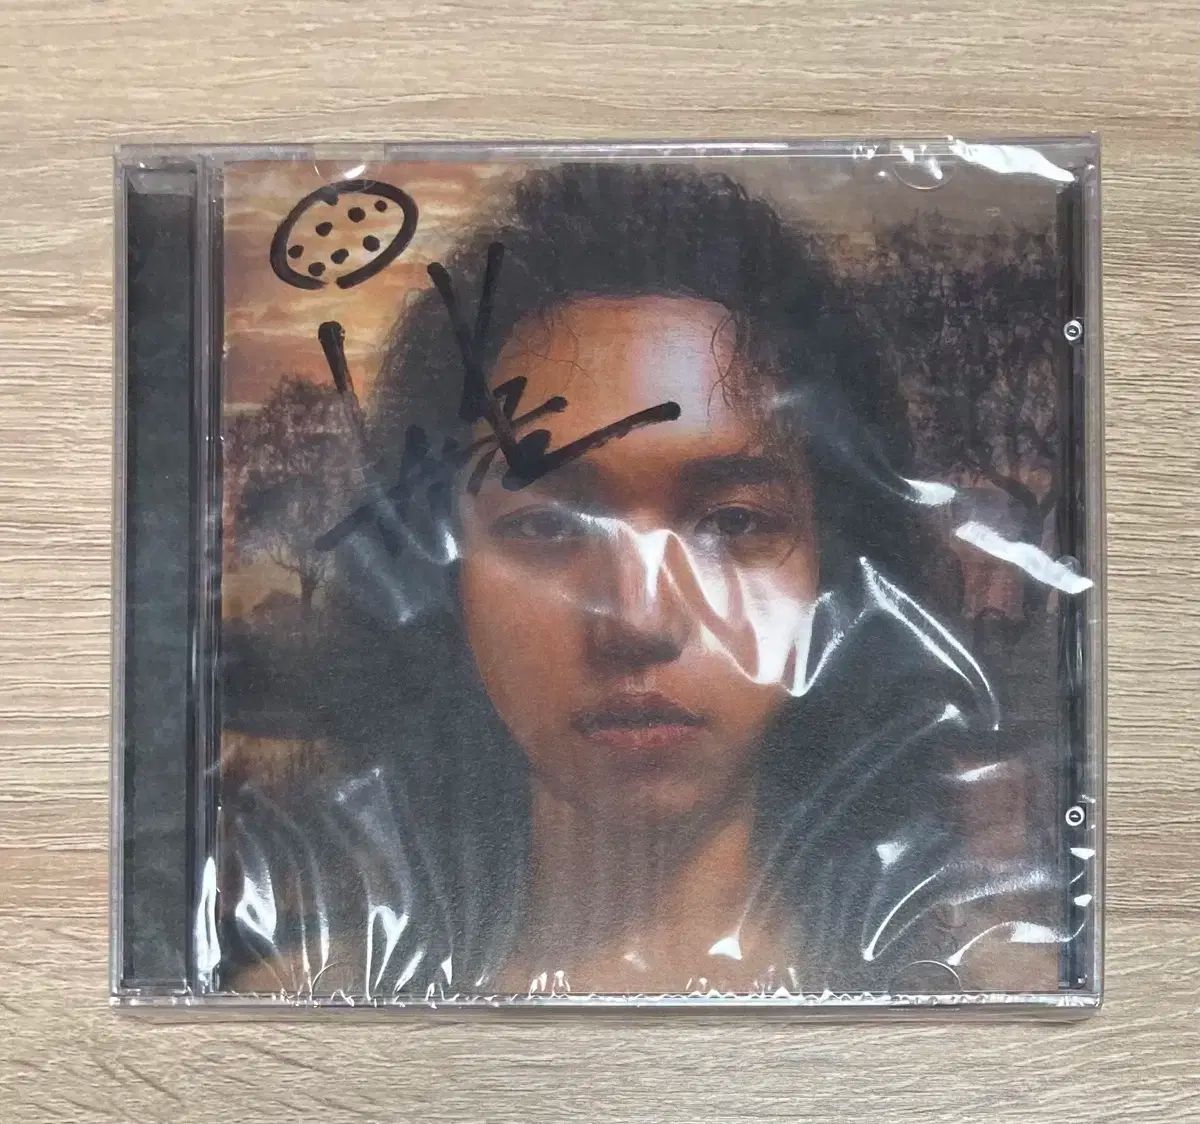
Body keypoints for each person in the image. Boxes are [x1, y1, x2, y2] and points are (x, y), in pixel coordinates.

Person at [218, 163, 1040, 1001]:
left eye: (733, 522)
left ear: (837, 565)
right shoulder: (300, 1016)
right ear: (439, 572)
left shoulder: (989, 1010)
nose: (637, 621)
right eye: (548, 526)